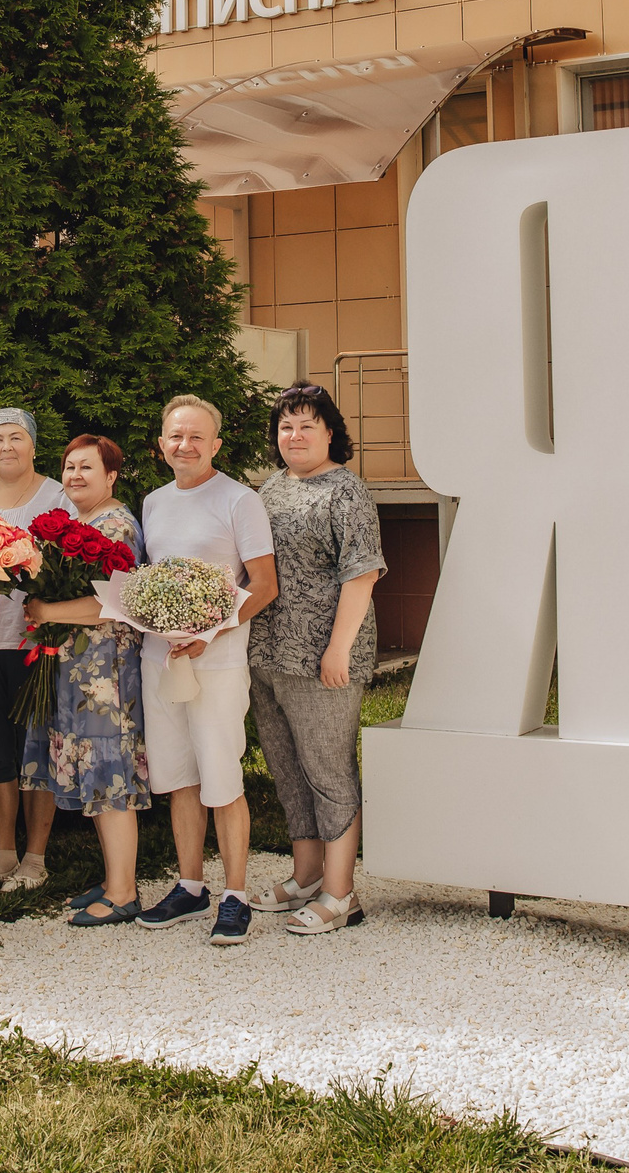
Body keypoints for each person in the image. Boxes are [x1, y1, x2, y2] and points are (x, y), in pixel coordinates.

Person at [135, 394, 277, 946]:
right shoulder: (152, 502)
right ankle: (191, 886)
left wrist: (207, 632)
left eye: (196, 437)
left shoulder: (240, 500)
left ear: (215, 444)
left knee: (221, 777)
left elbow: (263, 586)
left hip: (216, 662)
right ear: (162, 443)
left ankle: (235, 894)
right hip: (160, 660)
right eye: (175, 436)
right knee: (178, 778)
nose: (184, 445)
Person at [248, 382, 384, 935]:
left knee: (327, 771)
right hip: (268, 651)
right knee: (285, 766)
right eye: (286, 426)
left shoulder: (345, 492)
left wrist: (338, 648)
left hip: (324, 657)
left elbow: (363, 572)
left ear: (331, 432)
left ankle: (339, 892)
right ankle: (305, 876)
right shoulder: (268, 489)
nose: (295, 435)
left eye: (307, 425)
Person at [20, 434, 152, 927]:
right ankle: (113, 875)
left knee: (110, 775)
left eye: (87, 468)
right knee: (95, 774)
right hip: (79, 669)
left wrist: (48, 609)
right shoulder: (80, 522)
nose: (75, 475)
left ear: (111, 475)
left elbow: (113, 602)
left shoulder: (116, 525)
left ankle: (123, 892)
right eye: (69, 467)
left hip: (106, 675)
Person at [0, 406, 72, 893]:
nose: (6, 447)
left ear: (33, 444)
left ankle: (34, 856)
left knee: (39, 748)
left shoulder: (59, 496)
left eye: (16, 437)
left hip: (38, 645)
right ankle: (2, 853)